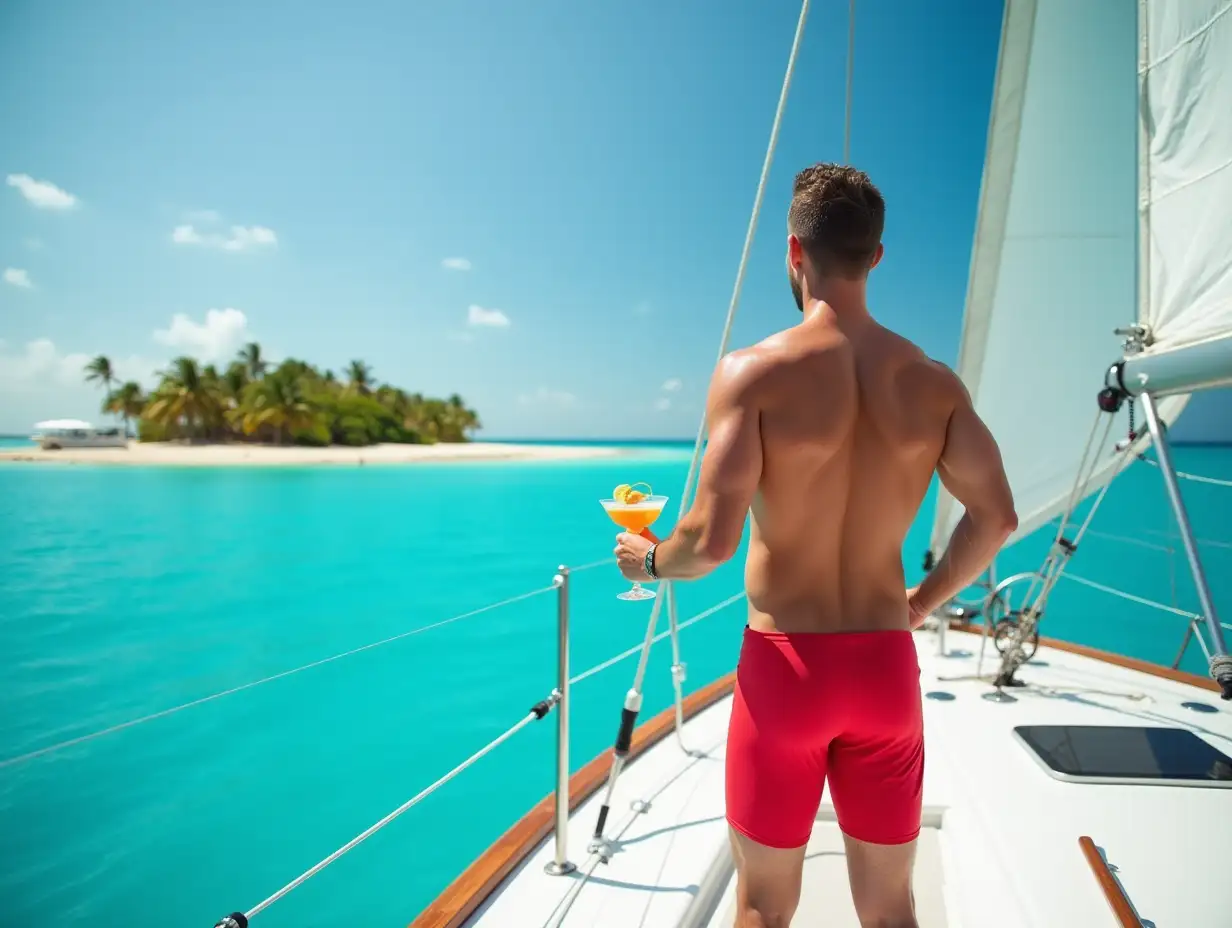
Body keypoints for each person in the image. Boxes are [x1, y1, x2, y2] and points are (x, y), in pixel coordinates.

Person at [615, 163, 1018, 928]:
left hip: (786, 672)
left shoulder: (754, 373)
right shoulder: (933, 385)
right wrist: (923, 602)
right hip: (884, 666)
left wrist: (648, 559)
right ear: (877, 257)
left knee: (765, 904)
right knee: (890, 905)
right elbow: (996, 519)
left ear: (794, 252)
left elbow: (707, 545)